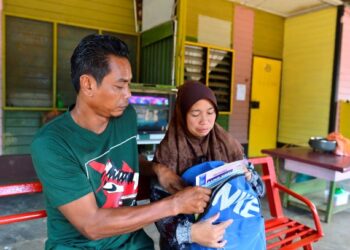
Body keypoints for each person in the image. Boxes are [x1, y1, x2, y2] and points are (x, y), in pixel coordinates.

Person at [31, 34, 212, 250]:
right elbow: (92, 225)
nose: (128, 94)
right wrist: (175, 204)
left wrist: (157, 169)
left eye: (129, 84)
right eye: (119, 86)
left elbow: (125, 157)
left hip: (132, 244)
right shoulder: (52, 144)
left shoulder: (126, 116)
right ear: (87, 84)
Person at [151, 81, 264, 249]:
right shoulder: (168, 153)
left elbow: (259, 192)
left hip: (234, 238)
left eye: (210, 113)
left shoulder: (228, 145)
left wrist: (250, 177)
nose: (205, 121)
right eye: (195, 114)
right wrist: (191, 233)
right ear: (182, 114)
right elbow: (159, 214)